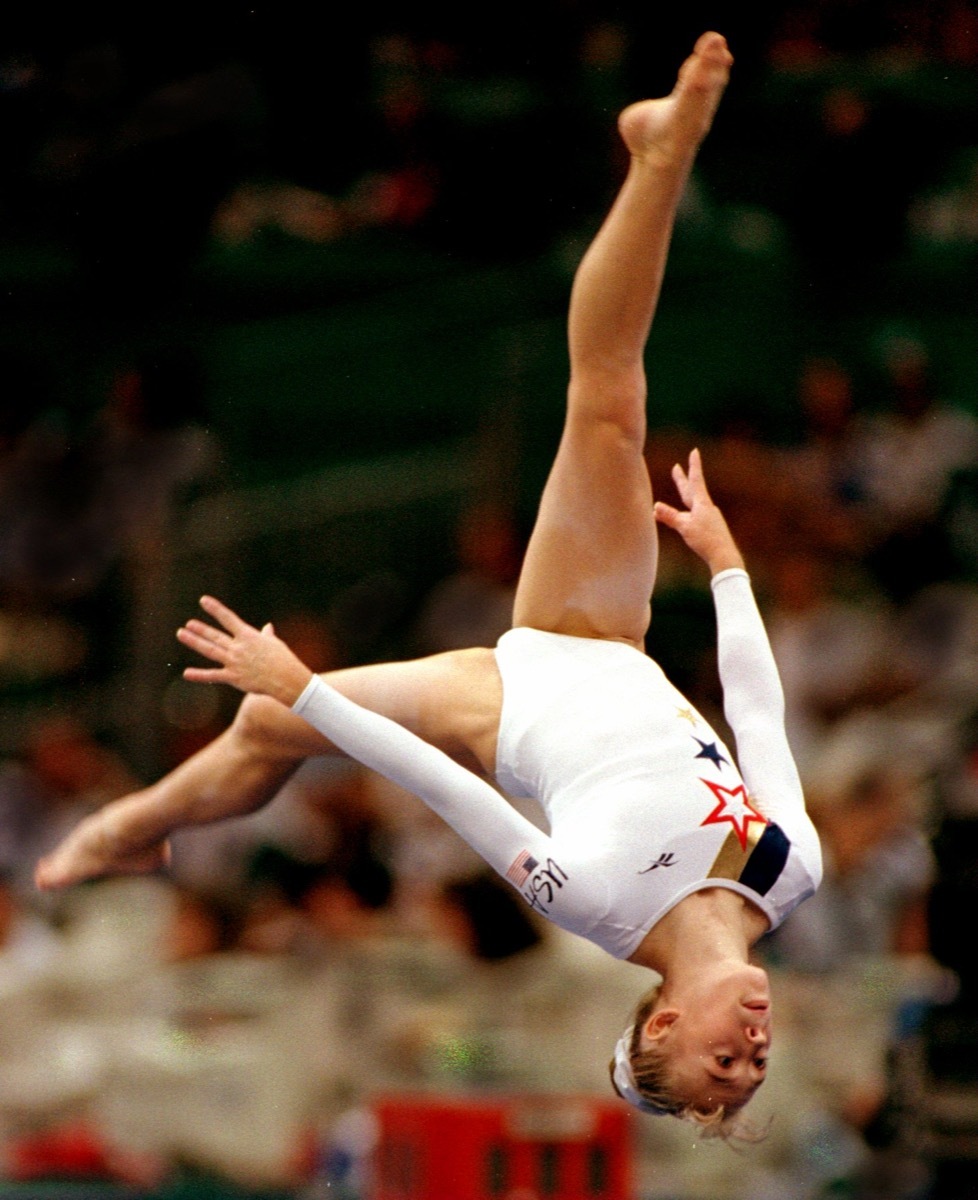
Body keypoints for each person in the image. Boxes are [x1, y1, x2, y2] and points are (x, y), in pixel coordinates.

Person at [35, 33, 822, 1135]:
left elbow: (453, 794)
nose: (751, 1052)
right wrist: (730, 567)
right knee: (608, 401)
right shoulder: (791, 874)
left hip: (499, 705)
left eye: (718, 1068)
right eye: (755, 1071)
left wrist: (307, 684)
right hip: (604, 638)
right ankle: (660, 153)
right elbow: (760, 716)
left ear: (658, 1027)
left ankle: (131, 822)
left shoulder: (597, 907)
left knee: (268, 721)